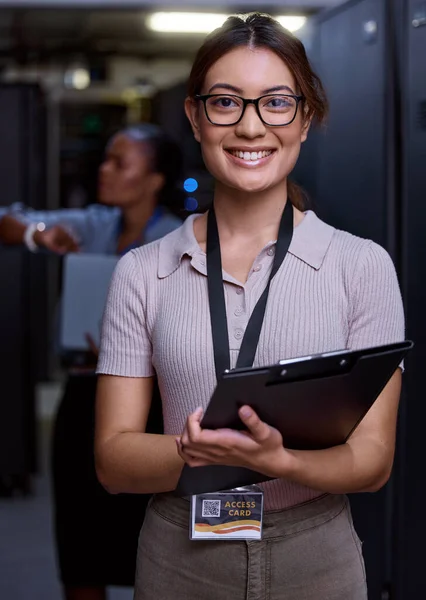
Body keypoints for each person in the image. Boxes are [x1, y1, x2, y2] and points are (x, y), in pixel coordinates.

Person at [95, 13, 405, 600]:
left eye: (276, 103)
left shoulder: (362, 266)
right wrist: (197, 453)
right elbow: (114, 460)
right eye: (226, 103)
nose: (251, 126)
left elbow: (372, 460)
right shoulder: (143, 271)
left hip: (317, 557)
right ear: (195, 116)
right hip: (179, 555)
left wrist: (280, 460)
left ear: (305, 118)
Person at [0, 124, 184, 600]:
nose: (104, 170)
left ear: (155, 178)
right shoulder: (93, 224)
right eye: (106, 159)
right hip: (84, 394)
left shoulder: (181, 240)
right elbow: (7, 221)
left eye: (120, 162)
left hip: (155, 405)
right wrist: (40, 236)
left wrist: (132, 353)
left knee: (155, 536)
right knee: (80, 538)